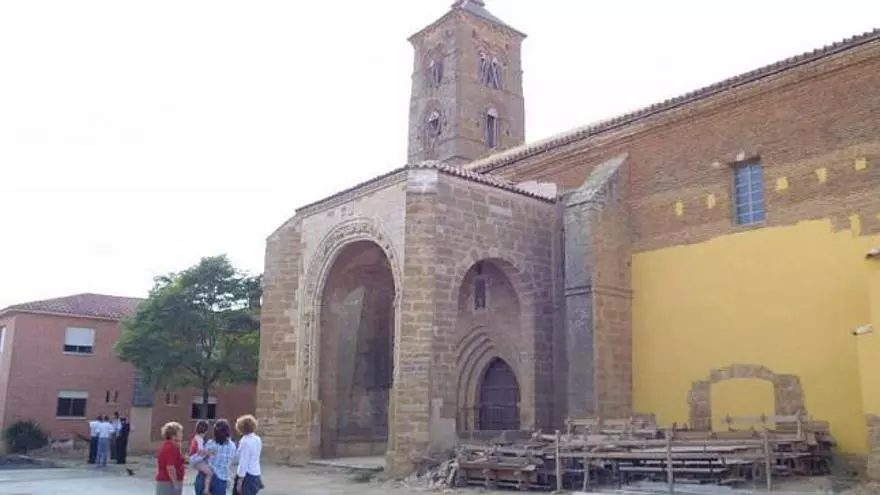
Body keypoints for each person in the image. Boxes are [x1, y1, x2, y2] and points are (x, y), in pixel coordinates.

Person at [194, 420, 237, 495]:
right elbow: (231, 460)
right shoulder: (232, 446)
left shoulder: (210, 443)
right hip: (221, 478)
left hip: (204, 476)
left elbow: (202, 458)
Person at [234, 414, 263, 495]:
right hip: (256, 473)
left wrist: (240, 479)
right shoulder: (257, 439)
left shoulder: (245, 442)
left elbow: (244, 461)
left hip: (247, 475)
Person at [156, 421, 185, 495]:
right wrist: (175, 483)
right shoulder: (170, 447)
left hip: (168, 481)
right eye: (180, 432)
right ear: (173, 435)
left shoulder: (171, 446)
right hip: (168, 482)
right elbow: (170, 467)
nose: (182, 434)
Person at [188, 420, 214, 494]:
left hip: (195, 459)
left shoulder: (196, 437)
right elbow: (200, 451)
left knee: (206, 472)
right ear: (206, 431)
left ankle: (205, 489)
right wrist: (210, 453)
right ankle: (206, 490)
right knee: (210, 473)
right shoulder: (199, 439)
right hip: (196, 460)